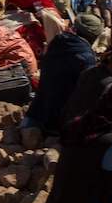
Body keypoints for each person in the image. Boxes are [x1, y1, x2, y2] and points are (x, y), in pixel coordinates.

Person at [20, 11, 104, 147]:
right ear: (94, 37)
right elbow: (86, 93)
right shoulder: (86, 57)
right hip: (59, 122)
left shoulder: (58, 41)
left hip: (38, 111)